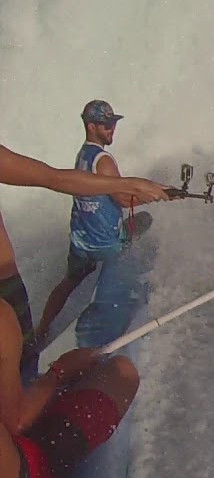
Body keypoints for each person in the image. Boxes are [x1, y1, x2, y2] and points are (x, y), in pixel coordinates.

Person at [0, 141, 168, 478]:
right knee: (120, 373)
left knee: (18, 365)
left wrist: (129, 185)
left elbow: (54, 177)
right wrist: (59, 372)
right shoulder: (3, 321)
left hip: (10, 314)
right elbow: (15, 422)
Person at [0, 140, 169, 386]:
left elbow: (56, 178)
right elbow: (56, 179)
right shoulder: (98, 157)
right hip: (7, 289)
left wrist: (130, 185)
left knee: (21, 370)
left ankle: (38, 351)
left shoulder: (88, 155)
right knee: (19, 380)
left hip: (13, 284)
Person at [34, 101, 157, 353]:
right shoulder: (104, 161)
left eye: (113, 123)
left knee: (69, 281)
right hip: (107, 244)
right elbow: (123, 198)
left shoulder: (83, 156)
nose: (112, 129)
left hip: (81, 241)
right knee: (143, 222)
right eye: (107, 125)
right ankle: (131, 293)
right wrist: (155, 194)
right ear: (92, 126)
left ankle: (41, 330)